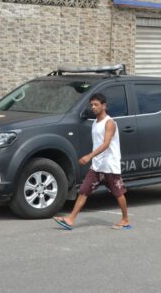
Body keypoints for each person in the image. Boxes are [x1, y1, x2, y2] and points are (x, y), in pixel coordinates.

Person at [53, 93, 130, 230]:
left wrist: (89, 156)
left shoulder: (109, 123)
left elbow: (106, 144)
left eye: (96, 105)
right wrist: (93, 159)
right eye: (91, 105)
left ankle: (125, 219)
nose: (93, 107)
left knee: (118, 192)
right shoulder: (95, 123)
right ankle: (70, 219)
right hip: (97, 166)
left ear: (104, 105)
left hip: (110, 165)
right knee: (84, 190)